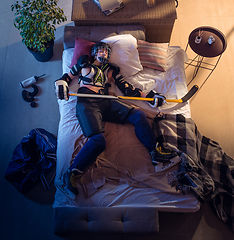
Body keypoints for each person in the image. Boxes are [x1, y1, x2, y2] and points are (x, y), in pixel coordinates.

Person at [55, 42, 177, 198]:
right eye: (100, 51)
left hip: (106, 100)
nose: (103, 54)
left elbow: (128, 89)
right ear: (94, 52)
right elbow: (65, 78)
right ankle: (71, 174)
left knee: (138, 114)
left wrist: (151, 97)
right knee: (98, 142)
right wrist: (61, 86)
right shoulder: (84, 63)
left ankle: (156, 154)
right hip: (87, 102)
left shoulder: (111, 70)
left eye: (106, 52)